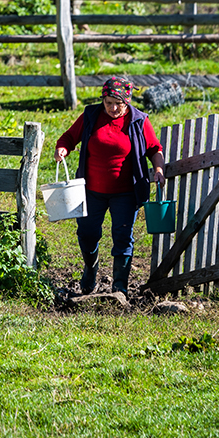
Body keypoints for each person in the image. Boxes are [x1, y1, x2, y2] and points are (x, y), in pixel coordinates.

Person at [54, 76, 166, 295]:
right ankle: (90, 267)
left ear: (127, 101)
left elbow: (154, 148)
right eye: (108, 103)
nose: (113, 108)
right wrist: (62, 149)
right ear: (103, 101)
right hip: (91, 191)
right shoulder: (90, 116)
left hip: (126, 193)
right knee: (86, 233)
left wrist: (159, 169)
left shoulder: (139, 120)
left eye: (118, 104)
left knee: (123, 236)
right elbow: (69, 137)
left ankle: (120, 286)